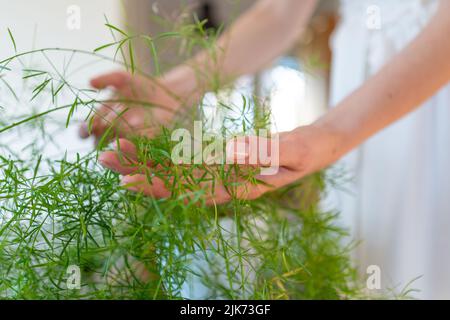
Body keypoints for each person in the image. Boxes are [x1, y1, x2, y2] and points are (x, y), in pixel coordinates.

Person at [80, 0, 450, 297]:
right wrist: (174, 87)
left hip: (431, 89)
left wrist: (325, 137)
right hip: (360, 79)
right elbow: (280, 11)